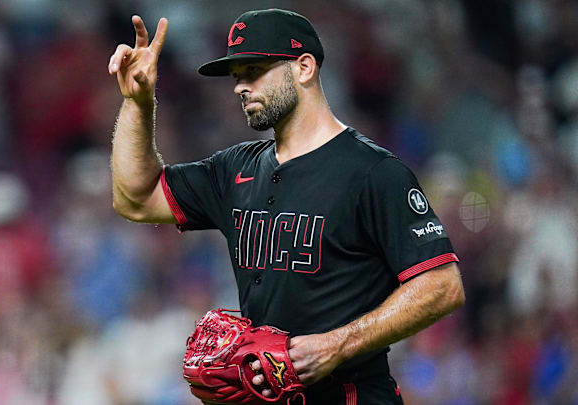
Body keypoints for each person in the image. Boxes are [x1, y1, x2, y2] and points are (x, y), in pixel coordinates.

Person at [108, 9, 465, 404]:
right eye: (237, 76)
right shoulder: (234, 169)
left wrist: (339, 344)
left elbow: (442, 286)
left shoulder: (374, 173)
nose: (240, 87)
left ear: (304, 68)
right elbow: (136, 198)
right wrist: (137, 103)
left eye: (254, 70)